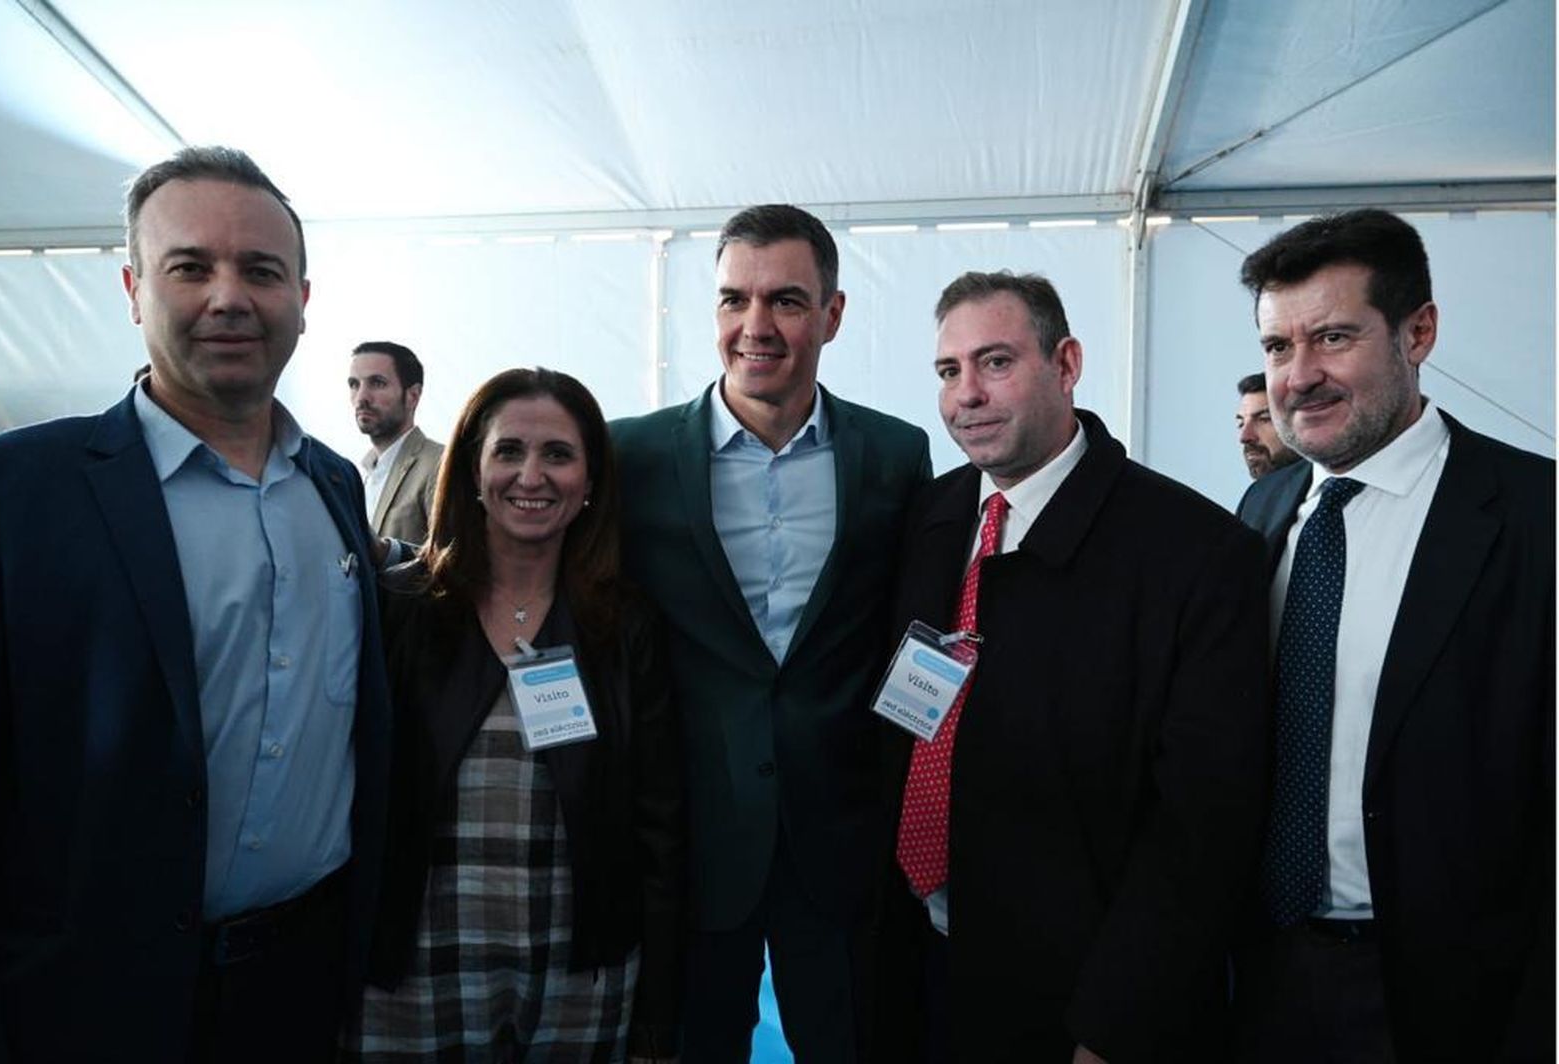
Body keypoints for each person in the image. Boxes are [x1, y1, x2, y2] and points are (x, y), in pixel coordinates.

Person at [0, 146, 391, 1062]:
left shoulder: (336, 489)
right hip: (88, 1000)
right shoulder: (5, 497)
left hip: (300, 985)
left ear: (303, 302)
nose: (228, 296)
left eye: (261, 271)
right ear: (132, 286)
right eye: (190, 266)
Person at [873, 270, 1270, 1063]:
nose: (967, 396)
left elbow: (1202, 824)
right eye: (949, 372)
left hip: (1084, 1000)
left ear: (1067, 362)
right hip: (923, 966)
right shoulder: (928, 519)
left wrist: (1116, 1022)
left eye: (996, 362)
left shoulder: (1194, 551)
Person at [1231, 209, 1553, 1063]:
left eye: (1332, 337)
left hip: (1457, 996)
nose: (1298, 377)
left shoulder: (1534, 517)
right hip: (1260, 979)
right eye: (1276, 347)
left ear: (1419, 331)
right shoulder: (1262, 512)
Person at [611, 204, 930, 1062]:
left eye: (786, 301)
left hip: (840, 829)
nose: (755, 327)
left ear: (832, 314)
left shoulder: (896, 457)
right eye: (732, 300)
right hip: (693, 831)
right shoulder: (630, 457)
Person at [346, 367, 683, 1062]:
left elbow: (659, 822)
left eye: (558, 454)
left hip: (577, 968)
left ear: (591, 483)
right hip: (417, 961)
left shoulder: (625, 626)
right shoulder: (397, 608)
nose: (532, 475)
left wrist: (659, 1004)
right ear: (472, 470)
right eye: (509, 451)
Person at [349, 339, 444, 543]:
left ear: (413, 396)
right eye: (354, 385)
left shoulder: (440, 464)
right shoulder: (356, 475)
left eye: (377, 383)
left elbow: (452, 559)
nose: (361, 398)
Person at [1235, 372, 1299, 479]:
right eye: (1241, 423)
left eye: (1264, 419)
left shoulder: (1330, 489)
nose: (1244, 437)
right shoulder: (1255, 494)